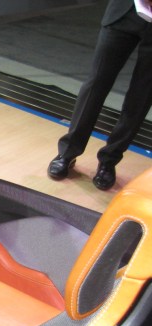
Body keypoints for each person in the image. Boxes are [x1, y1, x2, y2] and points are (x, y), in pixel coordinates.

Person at [48, 0, 152, 190]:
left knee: (142, 96)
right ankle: (67, 152)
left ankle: (109, 160)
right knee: (96, 83)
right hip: (124, 11)